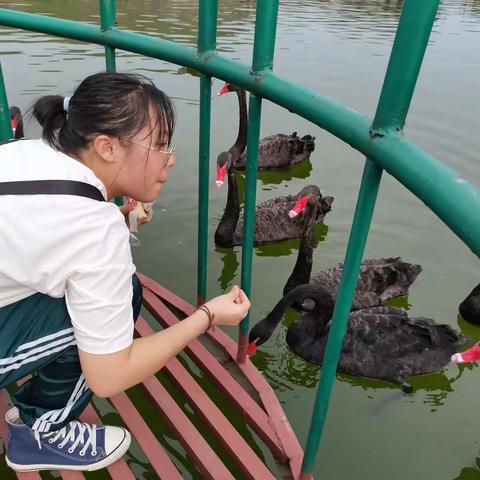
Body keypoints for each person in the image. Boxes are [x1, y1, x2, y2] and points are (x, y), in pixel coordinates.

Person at [0, 72, 250, 472]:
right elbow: (109, 376)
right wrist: (207, 317)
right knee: (125, 295)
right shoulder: (94, 228)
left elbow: (43, 237)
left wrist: (117, 218)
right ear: (107, 147)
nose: (171, 159)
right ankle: (41, 434)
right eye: (161, 146)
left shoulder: (24, 151)